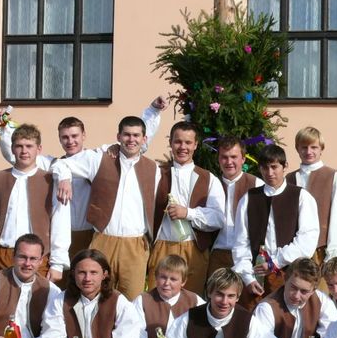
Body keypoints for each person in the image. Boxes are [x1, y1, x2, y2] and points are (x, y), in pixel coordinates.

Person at [0, 98, 165, 285]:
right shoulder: (52, 164)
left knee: (87, 285)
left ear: (84, 135)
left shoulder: (99, 159)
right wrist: (3, 129)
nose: (70, 141)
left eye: (74, 136)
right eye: (65, 137)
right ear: (59, 139)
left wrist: (153, 111)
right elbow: (18, 156)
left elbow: (135, 141)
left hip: (89, 234)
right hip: (59, 235)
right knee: (59, 285)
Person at [50, 116, 161, 300]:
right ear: (118, 137)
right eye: (126, 135)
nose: (131, 139)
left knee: (132, 301)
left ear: (144, 139)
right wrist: (64, 179)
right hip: (103, 240)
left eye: (136, 135)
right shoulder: (98, 160)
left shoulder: (154, 168)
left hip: (135, 245)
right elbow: (61, 163)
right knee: (96, 297)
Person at [0, 124, 71, 282]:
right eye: (19, 146)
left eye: (29, 146)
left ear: (39, 149)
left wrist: (57, 264)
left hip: (36, 257)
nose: (24, 151)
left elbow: (61, 223)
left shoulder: (51, 182)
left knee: (34, 298)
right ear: (12, 148)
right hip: (0, 255)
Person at [232, 145, 319, 311]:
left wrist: (275, 263)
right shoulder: (249, 198)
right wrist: (248, 278)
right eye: (265, 168)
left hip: (289, 275)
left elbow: (306, 240)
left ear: (285, 166)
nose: (270, 173)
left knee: (284, 319)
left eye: (274, 167)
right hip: (255, 277)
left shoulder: (302, 197)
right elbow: (241, 242)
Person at [146, 121, 225, 294]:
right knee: (157, 298)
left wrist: (188, 213)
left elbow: (219, 218)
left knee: (191, 300)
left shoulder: (209, 179)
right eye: (178, 142)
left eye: (188, 142)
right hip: (162, 247)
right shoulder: (156, 174)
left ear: (195, 145)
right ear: (170, 143)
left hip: (194, 250)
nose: (183, 147)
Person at [285, 127, 337, 265]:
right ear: (297, 149)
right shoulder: (289, 179)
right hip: (292, 252)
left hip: (321, 252)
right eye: (304, 147)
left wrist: (334, 254)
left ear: (321, 149)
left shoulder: (333, 177)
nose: (309, 152)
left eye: (314, 147)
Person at [207, 136, 264, 278]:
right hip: (218, 253)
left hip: (247, 255)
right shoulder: (211, 184)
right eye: (224, 157)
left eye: (234, 157)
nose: (229, 162)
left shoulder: (257, 185)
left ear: (243, 159)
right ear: (218, 159)